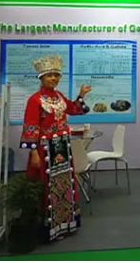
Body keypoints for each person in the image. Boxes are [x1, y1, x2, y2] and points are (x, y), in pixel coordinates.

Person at [20, 54, 92, 242]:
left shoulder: (58, 97)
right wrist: (34, 153)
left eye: (56, 75)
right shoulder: (35, 100)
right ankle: (48, 228)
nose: (53, 78)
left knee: (64, 184)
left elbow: (73, 109)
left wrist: (81, 95)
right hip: (45, 150)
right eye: (49, 75)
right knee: (47, 186)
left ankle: (65, 223)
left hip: (62, 148)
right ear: (41, 77)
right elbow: (30, 127)